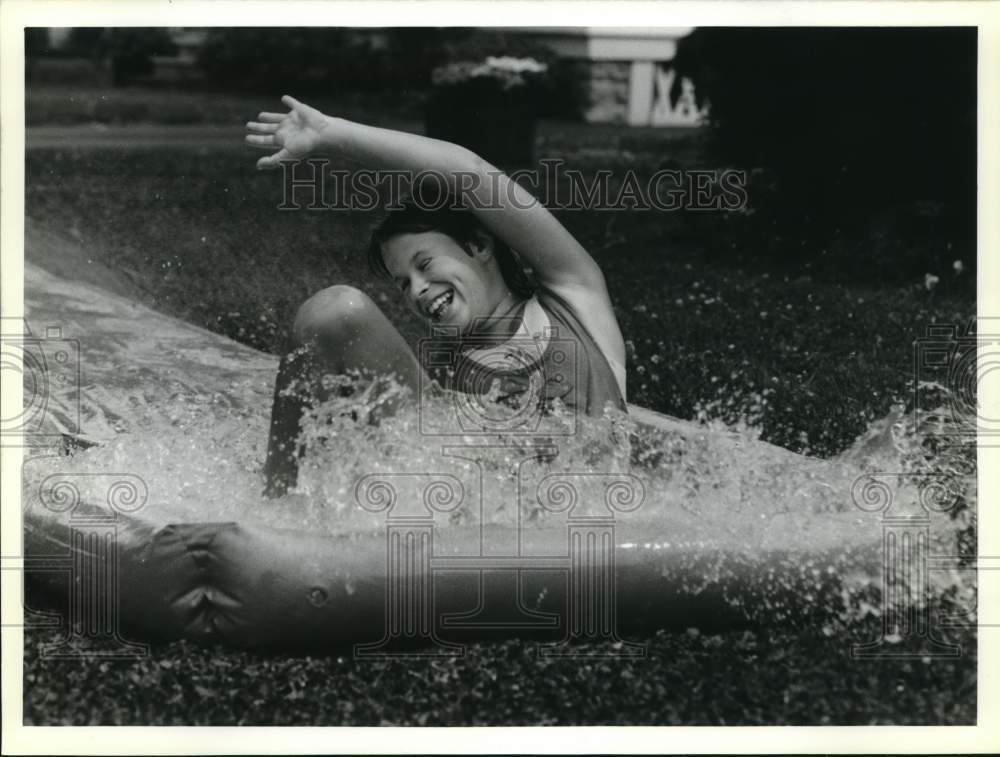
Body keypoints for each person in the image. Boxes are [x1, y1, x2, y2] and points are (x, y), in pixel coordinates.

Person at [246, 96, 627, 497]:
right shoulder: (444, 374)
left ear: (478, 246)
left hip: (585, 525)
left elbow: (469, 172)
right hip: (476, 526)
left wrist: (333, 135)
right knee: (335, 312)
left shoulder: (574, 297)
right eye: (403, 283)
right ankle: (275, 498)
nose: (417, 290)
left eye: (425, 265)